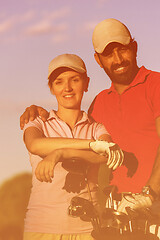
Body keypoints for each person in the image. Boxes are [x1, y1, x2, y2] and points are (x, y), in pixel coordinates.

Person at [20, 19, 160, 224]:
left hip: (154, 208)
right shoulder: (100, 103)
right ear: (98, 60)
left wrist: (150, 194)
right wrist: (38, 111)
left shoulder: (155, 84)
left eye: (122, 49)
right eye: (108, 54)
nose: (118, 59)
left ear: (134, 48)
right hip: (119, 215)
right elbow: (87, 145)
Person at [22, 53, 124, 240]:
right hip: (42, 227)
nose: (67, 88)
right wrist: (91, 145)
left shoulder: (96, 127)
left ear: (86, 83)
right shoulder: (37, 122)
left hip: (89, 231)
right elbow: (35, 144)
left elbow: (106, 154)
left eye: (75, 80)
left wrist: (61, 153)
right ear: (51, 88)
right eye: (59, 82)